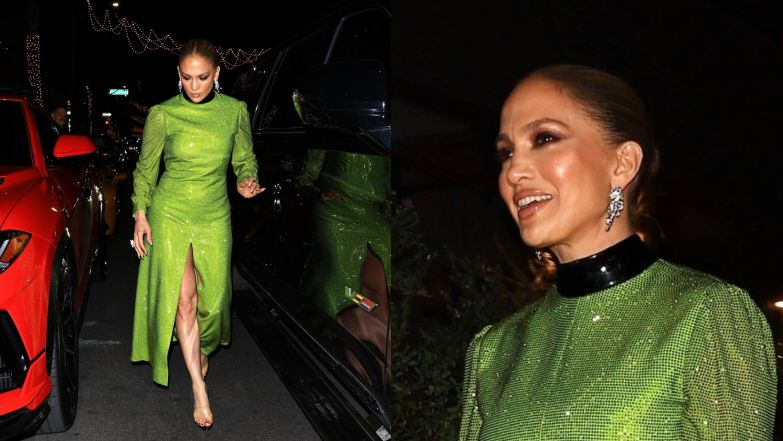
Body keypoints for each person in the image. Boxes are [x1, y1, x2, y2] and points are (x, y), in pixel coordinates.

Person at [458, 64, 777, 440]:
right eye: (506, 153)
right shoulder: (494, 350)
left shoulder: (705, 314)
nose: (513, 171)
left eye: (544, 138)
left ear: (623, 163)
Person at [129, 38, 263, 429]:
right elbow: (145, 169)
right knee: (184, 300)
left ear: (217, 74)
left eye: (202, 77)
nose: (194, 85)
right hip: (170, 211)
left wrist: (246, 181)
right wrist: (141, 214)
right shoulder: (162, 114)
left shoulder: (234, 111)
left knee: (216, 301)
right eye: (187, 77)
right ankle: (198, 389)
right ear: (178, 75)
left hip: (214, 213)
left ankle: (202, 349)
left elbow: (244, 159)